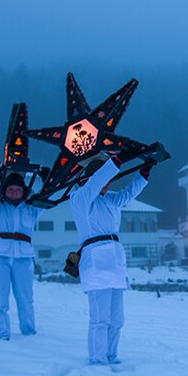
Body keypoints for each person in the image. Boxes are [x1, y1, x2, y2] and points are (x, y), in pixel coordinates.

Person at [69, 156, 151, 365]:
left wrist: (144, 172)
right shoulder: (80, 198)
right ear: (89, 179)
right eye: (103, 179)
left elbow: (128, 193)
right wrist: (114, 161)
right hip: (95, 262)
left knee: (116, 320)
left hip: (115, 262)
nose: (106, 184)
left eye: (109, 180)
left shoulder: (110, 200)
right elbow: (94, 183)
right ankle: (97, 360)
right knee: (100, 318)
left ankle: (111, 356)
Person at [0, 163, 44, 340]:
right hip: (0, 256)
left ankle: (29, 332)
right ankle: (1, 334)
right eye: (10, 189)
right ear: (4, 191)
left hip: (23, 258)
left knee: (25, 298)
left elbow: (49, 198)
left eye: (18, 189)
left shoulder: (31, 209)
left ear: (24, 192)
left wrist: (47, 181)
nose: (14, 192)